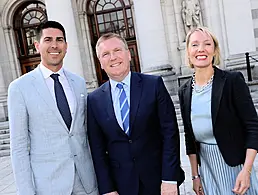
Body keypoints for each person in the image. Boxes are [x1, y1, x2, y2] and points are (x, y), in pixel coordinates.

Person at [87, 33, 185, 195]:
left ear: (128, 54)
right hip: (121, 186)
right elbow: (97, 150)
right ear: (101, 63)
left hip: (160, 183)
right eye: (105, 54)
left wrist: (169, 179)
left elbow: (170, 134)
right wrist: (107, 189)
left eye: (117, 50)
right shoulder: (94, 100)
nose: (113, 57)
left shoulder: (153, 85)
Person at [8, 21, 98, 195]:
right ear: (37, 45)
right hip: (49, 186)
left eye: (60, 40)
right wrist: (26, 192)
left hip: (87, 184)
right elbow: (19, 147)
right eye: (48, 40)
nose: (54, 45)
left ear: (66, 46)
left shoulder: (78, 83)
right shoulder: (19, 87)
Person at [178, 26, 258, 195]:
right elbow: (189, 139)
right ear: (188, 53)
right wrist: (195, 176)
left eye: (207, 44)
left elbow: (253, 127)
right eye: (194, 45)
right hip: (206, 168)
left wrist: (247, 171)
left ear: (214, 51)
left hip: (236, 167)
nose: (201, 49)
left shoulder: (232, 81)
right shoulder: (184, 91)